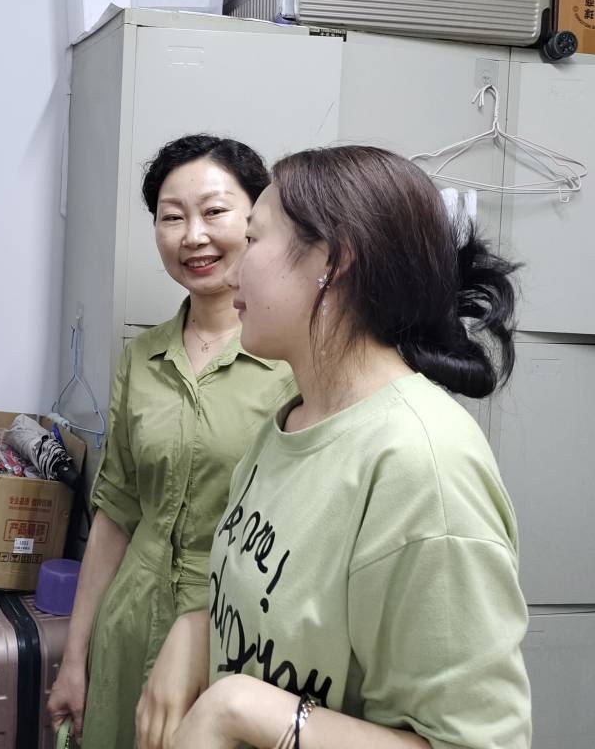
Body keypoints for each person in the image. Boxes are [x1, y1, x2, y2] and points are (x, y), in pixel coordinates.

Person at [136, 146, 531, 749]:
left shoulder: (423, 463)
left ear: (333, 260)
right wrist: (197, 625)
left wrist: (243, 710)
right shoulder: (290, 424)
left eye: (254, 238)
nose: (234, 269)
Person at [47, 134, 296, 748]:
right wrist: (75, 658)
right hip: (128, 623)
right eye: (172, 217)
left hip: (237, 635)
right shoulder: (142, 357)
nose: (194, 236)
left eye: (214, 212)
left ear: (257, 220)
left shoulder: (294, 363)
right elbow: (117, 514)